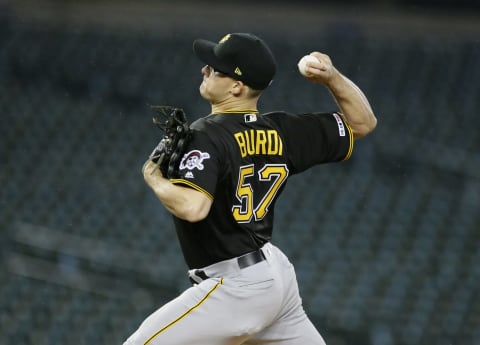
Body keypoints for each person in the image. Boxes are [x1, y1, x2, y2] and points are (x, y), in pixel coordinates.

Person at [127, 32, 377, 345]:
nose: (205, 69)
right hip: (275, 279)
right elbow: (362, 123)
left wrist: (153, 176)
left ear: (236, 86)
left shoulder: (206, 134)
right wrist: (333, 78)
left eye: (215, 68)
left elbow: (193, 207)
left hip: (235, 288)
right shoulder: (283, 130)